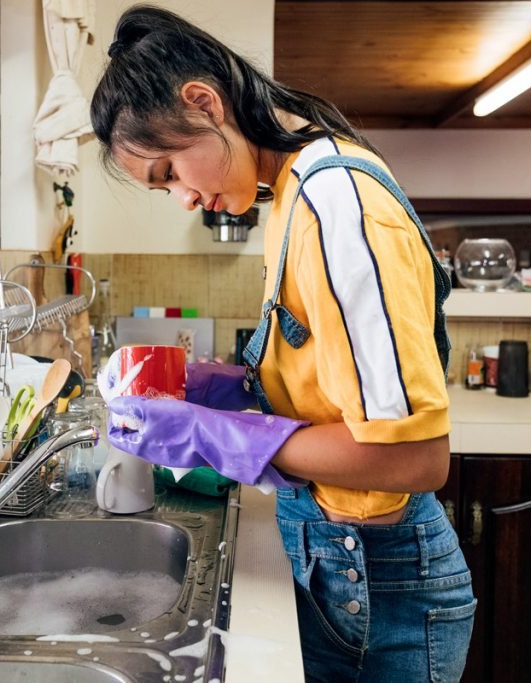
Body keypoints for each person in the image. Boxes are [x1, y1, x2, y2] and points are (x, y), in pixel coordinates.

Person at [90, 5, 475, 681]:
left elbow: (415, 458)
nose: (182, 196)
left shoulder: (336, 201)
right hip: (338, 556)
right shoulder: (293, 191)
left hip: (381, 585)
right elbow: (329, 384)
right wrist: (211, 384)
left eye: (170, 171)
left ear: (204, 102)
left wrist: (214, 436)